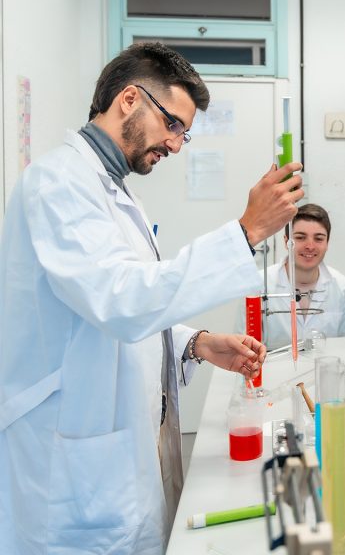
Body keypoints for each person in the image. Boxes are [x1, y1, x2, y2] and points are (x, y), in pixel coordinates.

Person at [0, 42, 304, 554]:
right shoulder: (57, 184)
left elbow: (112, 304)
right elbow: (119, 301)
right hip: (69, 465)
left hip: (106, 447)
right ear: (129, 99)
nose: (177, 144)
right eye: (173, 124)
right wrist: (247, 231)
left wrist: (194, 342)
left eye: (184, 132)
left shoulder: (114, 191)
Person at [243, 203, 345, 349]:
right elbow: (243, 345)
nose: (310, 246)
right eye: (301, 237)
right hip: (274, 364)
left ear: (327, 243)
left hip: (325, 364)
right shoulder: (258, 284)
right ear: (286, 242)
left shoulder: (344, 287)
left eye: (319, 239)